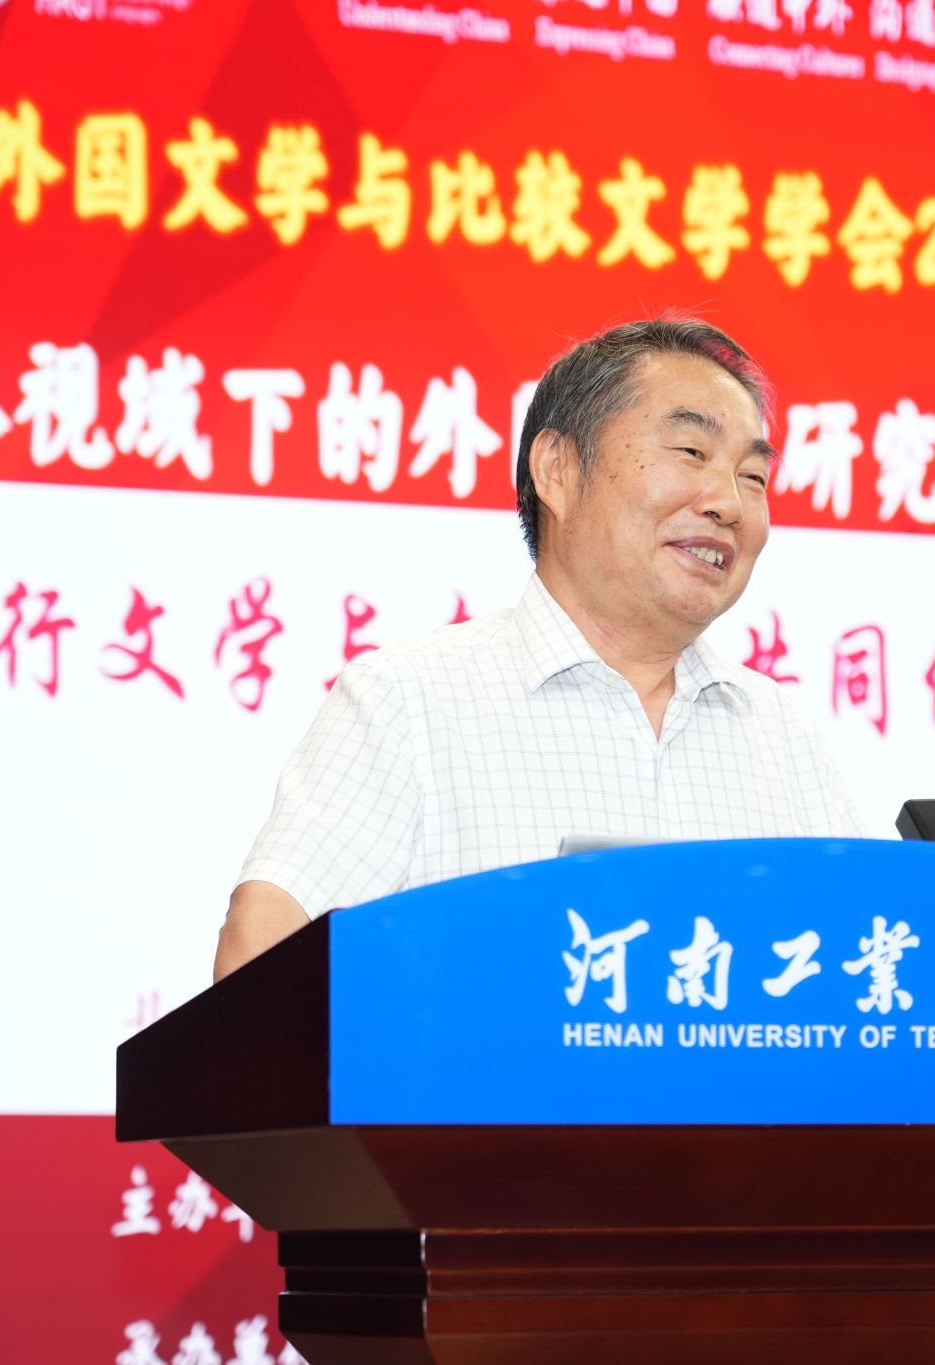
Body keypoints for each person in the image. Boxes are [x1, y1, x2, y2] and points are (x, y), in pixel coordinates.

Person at [213, 316, 867, 981]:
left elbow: (867, 962)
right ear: (558, 469)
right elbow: (263, 947)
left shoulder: (782, 735)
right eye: (691, 452)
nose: (729, 504)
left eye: (753, 476)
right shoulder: (409, 702)